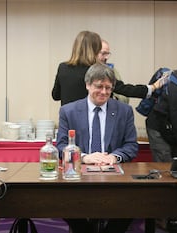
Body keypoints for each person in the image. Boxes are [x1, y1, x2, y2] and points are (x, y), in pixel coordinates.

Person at [56, 63, 137, 233]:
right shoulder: (68, 111)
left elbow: (131, 145)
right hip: (79, 175)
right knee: (63, 202)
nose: (104, 92)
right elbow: (61, 146)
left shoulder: (124, 111)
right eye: (99, 86)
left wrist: (114, 157)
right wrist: (85, 157)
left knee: (134, 204)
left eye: (108, 87)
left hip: (114, 176)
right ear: (87, 85)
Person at [52, 30, 163, 106]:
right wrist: (152, 87)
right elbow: (124, 89)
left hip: (68, 123)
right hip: (89, 123)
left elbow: (55, 95)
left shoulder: (63, 67)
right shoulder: (97, 71)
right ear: (95, 49)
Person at [97, 39, 129, 104]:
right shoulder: (85, 71)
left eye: (107, 54)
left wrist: (113, 98)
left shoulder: (112, 71)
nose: (106, 58)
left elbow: (125, 97)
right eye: (103, 53)